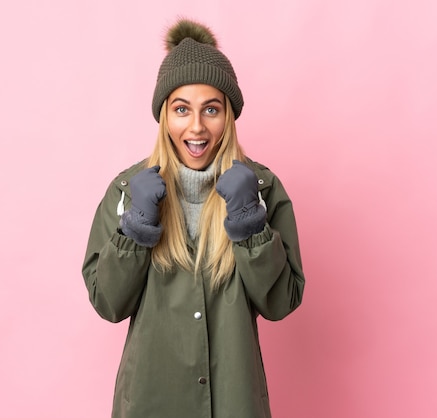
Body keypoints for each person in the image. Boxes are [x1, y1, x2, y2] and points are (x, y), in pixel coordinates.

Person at [82, 18, 305, 418]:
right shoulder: (126, 191)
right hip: (151, 401)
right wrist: (135, 229)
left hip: (234, 401)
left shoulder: (263, 189)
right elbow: (108, 303)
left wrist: (251, 225)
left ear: (229, 116)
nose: (197, 126)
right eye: (182, 109)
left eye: (212, 109)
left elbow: (281, 302)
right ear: (165, 115)